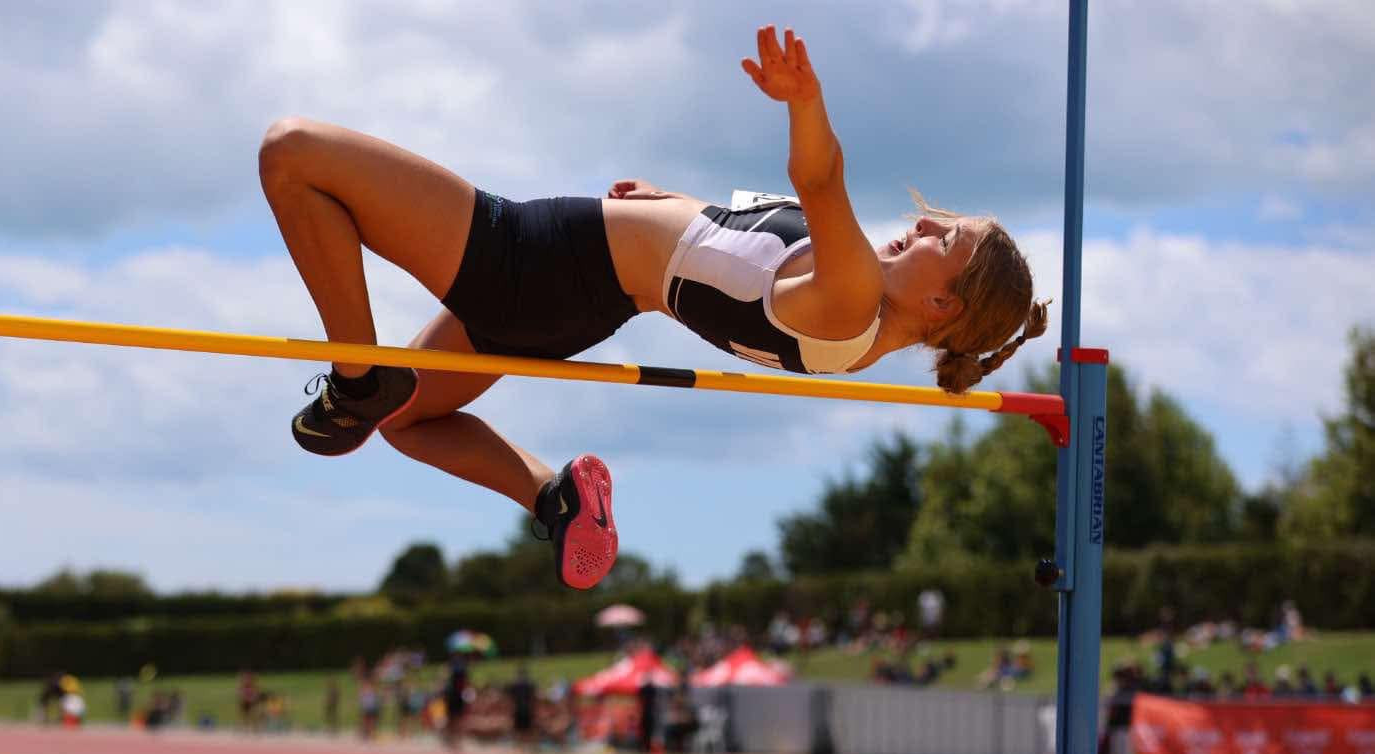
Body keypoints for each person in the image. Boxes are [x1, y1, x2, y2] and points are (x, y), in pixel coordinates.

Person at [259, 25, 1047, 591]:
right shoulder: (851, 304)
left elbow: (822, 180)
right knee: (409, 420)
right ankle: (553, 493)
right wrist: (678, 204)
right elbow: (738, 254)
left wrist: (805, 103)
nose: (926, 223)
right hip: (580, 298)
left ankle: (358, 375)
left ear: (943, 303)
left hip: (536, 262)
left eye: (948, 236)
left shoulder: (851, 301)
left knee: (293, 154)